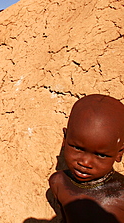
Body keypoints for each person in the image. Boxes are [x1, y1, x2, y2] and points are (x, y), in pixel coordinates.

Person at [49, 94, 124, 222]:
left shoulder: (121, 195)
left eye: (101, 155)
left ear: (119, 153)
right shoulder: (59, 183)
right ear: (65, 139)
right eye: (78, 148)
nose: (85, 162)